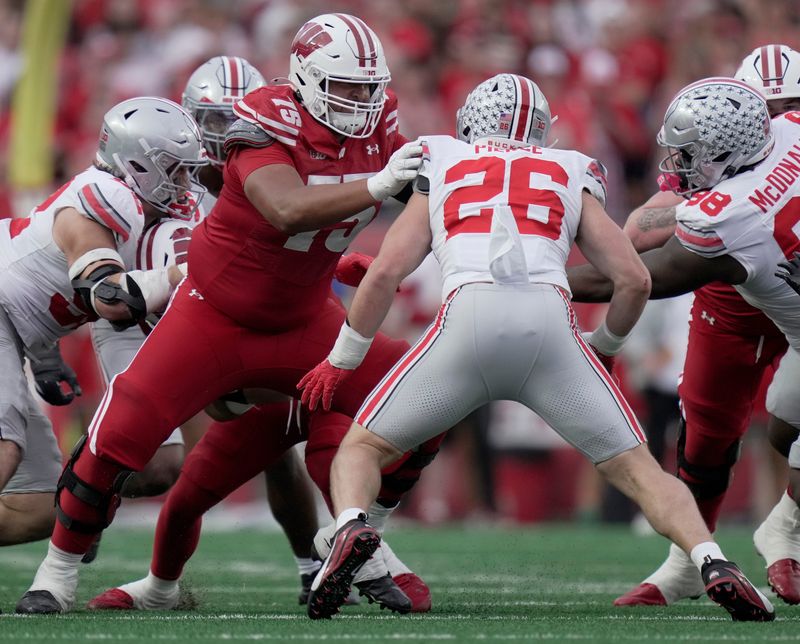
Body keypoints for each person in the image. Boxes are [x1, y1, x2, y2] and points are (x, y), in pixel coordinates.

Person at [297, 73, 774, 622]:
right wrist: (606, 345)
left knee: (363, 450)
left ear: (470, 121)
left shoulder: (444, 159)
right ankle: (711, 559)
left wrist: (344, 357)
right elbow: (633, 280)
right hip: (549, 321)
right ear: (542, 130)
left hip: (468, 316)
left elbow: (384, 274)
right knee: (642, 471)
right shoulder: (571, 168)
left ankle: (352, 527)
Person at [15, 13, 438, 615]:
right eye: (345, 87)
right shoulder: (265, 119)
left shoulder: (379, 133)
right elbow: (286, 209)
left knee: (429, 397)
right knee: (117, 437)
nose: (360, 103)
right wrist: (379, 186)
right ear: (305, 79)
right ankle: (56, 576)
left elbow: (416, 190)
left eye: (369, 90)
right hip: (213, 316)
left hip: (303, 320)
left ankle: (359, 536)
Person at [614, 44, 800, 608]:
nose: (773, 119)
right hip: (733, 294)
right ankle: (687, 562)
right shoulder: (716, 174)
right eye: (764, 108)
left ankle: (786, 527)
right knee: (707, 429)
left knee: (789, 425)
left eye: (788, 106)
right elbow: (639, 230)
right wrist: (700, 208)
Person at [0, 96, 205, 550]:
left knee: (35, 507)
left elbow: (32, 282)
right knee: (4, 449)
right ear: (137, 164)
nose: (186, 183)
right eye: (176, 169)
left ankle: (89, 490)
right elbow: (109, 297)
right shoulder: (106, 197)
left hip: (13, 323)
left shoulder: (135, 210)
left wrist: (43, 352)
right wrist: (179, 273)